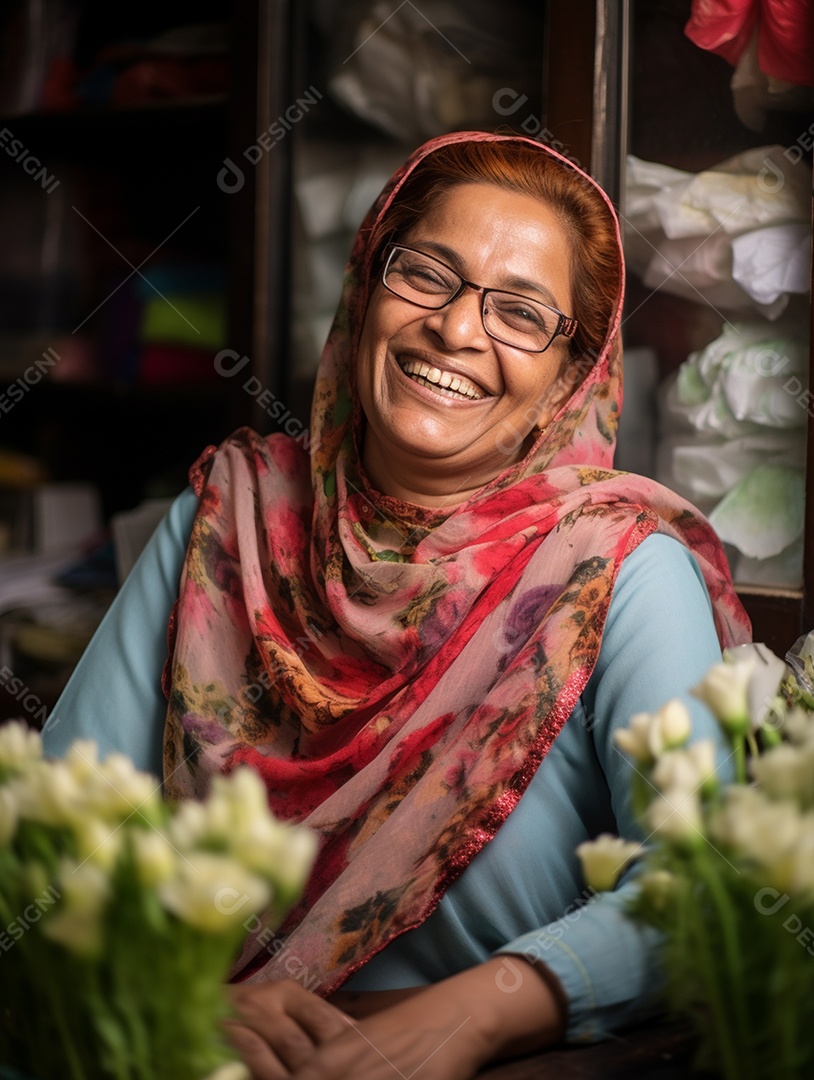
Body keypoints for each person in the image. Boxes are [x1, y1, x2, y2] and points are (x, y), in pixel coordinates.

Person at [44, 131, 750, 1079]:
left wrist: (476, 1016)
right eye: (426, 274)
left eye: (521, 313)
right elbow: (55, 838)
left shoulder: (618, 570)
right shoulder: (231, 517)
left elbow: (704, 887)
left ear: (572, 373)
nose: (456, 330)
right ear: (367, 285)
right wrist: (165, 995)